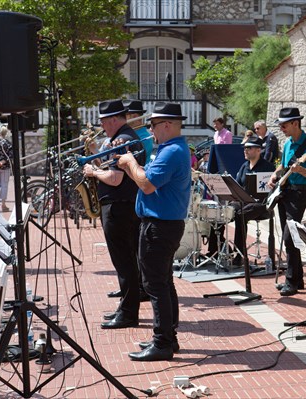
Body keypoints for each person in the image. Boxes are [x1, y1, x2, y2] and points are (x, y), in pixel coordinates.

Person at [117, 102, 191, 361]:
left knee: (154, 285)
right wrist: (133, 166)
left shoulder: (171, 151)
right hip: (163, 224)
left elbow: (147, 185)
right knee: (163, 283)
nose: (150, 130)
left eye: (153, 125)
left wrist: (129, 163)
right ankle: (168, 338)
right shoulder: (170, 149)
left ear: (167, 125)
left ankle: (162, 342)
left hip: (160, 226)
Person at [82, 99, 145, 330]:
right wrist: (95, 155)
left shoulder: (122, 140)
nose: (102, 126)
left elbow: (115, 178)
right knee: (126, 260)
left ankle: (128, 313)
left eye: (104, 122)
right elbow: (112, 169)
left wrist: (93, 171)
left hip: (119, 206)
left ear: (114, 120)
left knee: (124, 261)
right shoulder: (124, 137)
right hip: (123, 205)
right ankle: (126, 308)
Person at [267, 107, 306, 296]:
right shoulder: (288, 143)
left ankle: (291, 280)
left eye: (284, 125)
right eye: (280, 125)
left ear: (295, 123)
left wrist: (301, 171)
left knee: (290, 237)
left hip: (298, 194)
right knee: (287, 236)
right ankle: (297, 280)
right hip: (284, 192)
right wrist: (274, 176)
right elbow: (283, 166)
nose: (281, 128)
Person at [231, 136, 275, 265]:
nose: (245, 150)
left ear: (258, 150)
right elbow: (237, 186)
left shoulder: (268, 167)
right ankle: (215, 250)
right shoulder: (244, 166)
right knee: (222, 212)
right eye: (244, 148)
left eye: (248, 148)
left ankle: (239, 256)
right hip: (244, 202)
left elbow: (271, 192)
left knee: (240, 215)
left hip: (261, 205)